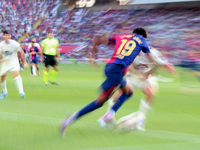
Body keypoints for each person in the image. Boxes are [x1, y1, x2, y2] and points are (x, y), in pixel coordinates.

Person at [59, 27, 161, 137]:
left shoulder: (121, 36)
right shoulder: (141, 40)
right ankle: (69, 121)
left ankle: (110, 114)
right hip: (116, 72)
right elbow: (150, 57)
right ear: (142, 35)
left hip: (111, 68)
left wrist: (93, 55)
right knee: (99, 102)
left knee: (128, 91)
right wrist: (154, 66)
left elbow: (97, 39)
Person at [97, 47, 176, 131]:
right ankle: (109, 117)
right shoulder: (131, 53)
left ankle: (141, 120)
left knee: (151, 93)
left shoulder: (152, 53)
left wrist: (150, 73)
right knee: (117, 96)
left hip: (146, 78)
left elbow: (158, 64)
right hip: (133, 77)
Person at [0, 31, 28, 99]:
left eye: (8, 35)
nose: (7, 37)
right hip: (6, 63)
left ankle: (21, 92)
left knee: (15, 73)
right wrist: (1, 59)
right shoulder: (1, 45)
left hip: (14, 61)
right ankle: (4, 92)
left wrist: (25, 62)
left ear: (10, 36)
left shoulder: (15, 44)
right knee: (2, 78)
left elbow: (21, 52)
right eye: (5, 35)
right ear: (3, 36)